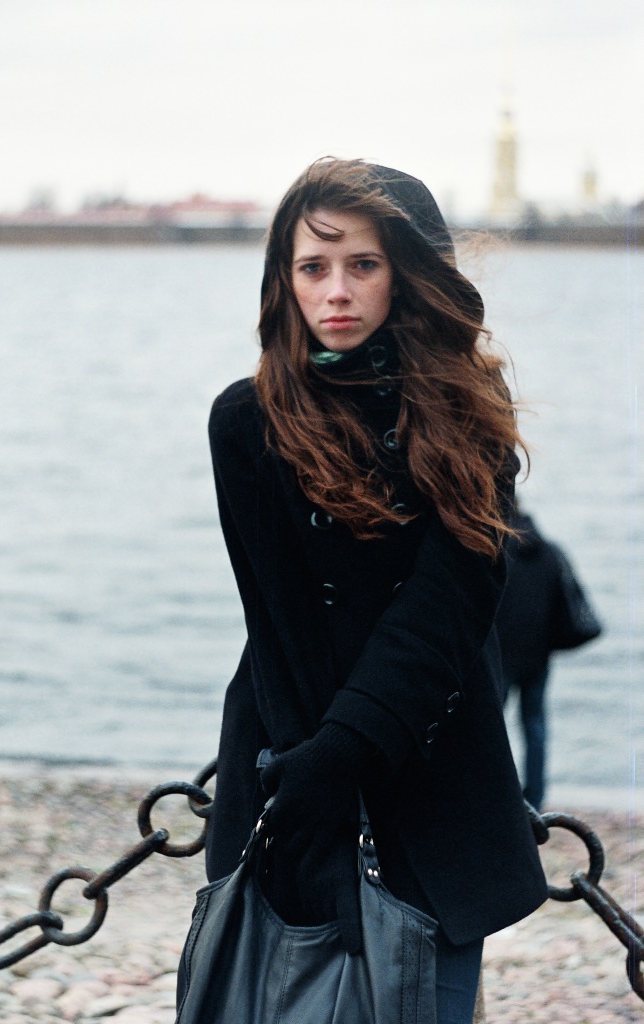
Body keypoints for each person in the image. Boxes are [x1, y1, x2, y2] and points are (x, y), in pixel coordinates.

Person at [201, 158, 547, 1024]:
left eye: (363, 264)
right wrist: (311, 779)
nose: (336, 291)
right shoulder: (249, 421)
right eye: (312, 267)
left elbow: (451, 602)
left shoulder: (467, 416)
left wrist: (350, 749)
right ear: (284, 279)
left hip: (434, 772)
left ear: (406, 271)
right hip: (294, 760)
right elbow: (281, 621)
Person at [496, 504, 603, 810]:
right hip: (538, 655)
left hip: (502, 656)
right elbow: (565, 605)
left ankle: (499, 792)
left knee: (493, 728)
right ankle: (535, 798)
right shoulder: (551, 553)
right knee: (535, 727)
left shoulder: (497, 555)